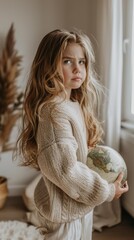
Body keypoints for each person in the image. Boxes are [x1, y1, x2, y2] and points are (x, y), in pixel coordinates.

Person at [17, 29, 129, 240]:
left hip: (79, 205)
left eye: (82, 61)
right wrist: (105, 190)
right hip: (64, 215)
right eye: (67, 61)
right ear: (48, 66)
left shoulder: (71, 104)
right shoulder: (53, 112)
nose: (78, 68)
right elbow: (67, 170)